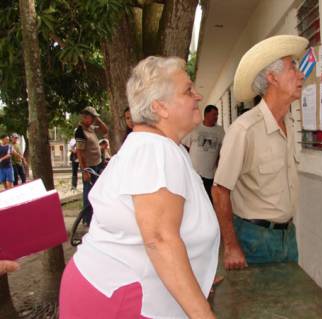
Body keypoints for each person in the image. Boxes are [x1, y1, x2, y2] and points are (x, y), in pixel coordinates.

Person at [59, 56, 220, 319]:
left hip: (118, 291)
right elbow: (160, 239)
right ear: (160, 107)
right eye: (188, 90)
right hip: (121, 300)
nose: (198, 96)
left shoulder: (158, 146)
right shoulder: (155, 150)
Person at [212, 35, 308, 270]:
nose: (301, 74)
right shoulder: (245, 130)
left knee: (290, 304)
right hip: (253, 241)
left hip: (287, 237)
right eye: (292, 68)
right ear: (272, 77)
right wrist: (231, 245)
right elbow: (219, 191)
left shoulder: (290, 124)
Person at [182, 105, 225, 201]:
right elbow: (185, 146)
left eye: (217, 115)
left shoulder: (220, 131)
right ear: (206, 114)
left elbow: (223, 150)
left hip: (210, 174)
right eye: (214, 114)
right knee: (193, 199)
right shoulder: (195, 128)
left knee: (208, 200)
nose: (216, 117)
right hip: (194, 172)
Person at [74, 106, 108, 225]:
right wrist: (85, 171)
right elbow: (80, 152)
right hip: (89, 167)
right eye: (92, 117)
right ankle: (87, 219)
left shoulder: (90, 128)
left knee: (97, 192)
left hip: (97, 164)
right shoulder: (80, 132)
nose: (93, 120)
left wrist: (98, 120)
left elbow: (105, 131)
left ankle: (95, 217)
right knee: (88, 193)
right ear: (85, 117)